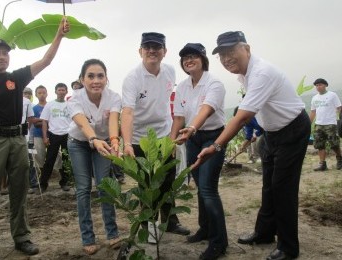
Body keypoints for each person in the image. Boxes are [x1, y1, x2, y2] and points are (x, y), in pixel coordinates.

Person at [192, 31, 311, 260]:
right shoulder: (245, 74)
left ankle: (288, 247)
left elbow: (242, 117)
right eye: (222, 55)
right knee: (269, 186)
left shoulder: (262, 73)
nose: (227, 59)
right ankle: (264, 232)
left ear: (247, 48)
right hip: (272, 133)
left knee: (282, 189)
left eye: (231, 52)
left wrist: (216, 146)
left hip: (292, 130)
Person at [0, 17, 69, 256]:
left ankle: (21, 236)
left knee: (19, 191)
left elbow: (46, 60)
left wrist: (59, 35)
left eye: (4, 53)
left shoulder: (16, 78)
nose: (1, 56)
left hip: (18, 140)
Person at [121, 32, 190, 236]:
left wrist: (172, 136)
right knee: (147, 184)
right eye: (147, 47)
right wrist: (126, 143)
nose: (152, 50)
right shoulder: (132, 78)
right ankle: (149, 227)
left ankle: (170, 222)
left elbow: (170, 102)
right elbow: (128, 112)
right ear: (140, 51)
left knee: (167, 180)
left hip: (164, 135)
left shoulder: (170, 71)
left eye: (156, 47)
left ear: (164, 52)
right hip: (140, 138)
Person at [170, 43, 228, 260]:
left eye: (193, 56)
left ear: (203, 59)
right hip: (192, 139)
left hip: (213, 137)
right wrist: (170, 143)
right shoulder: (183, 87)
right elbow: (178, 117)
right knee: (200, 187)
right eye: (185, 57)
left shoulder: (214, 83)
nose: (188, 60)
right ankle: (205, 229)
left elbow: (207, 109)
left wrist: (192, 127)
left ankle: (219, 242)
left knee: (208, 188)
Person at [67, 59, 121, 255]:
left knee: (104, 186)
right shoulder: (74, 99)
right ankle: (87, 237)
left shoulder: (113, 97)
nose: (96, 80)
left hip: (105, 142)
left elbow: (114, 120)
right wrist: (94, 139)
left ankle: (112, 233)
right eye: (90, 76)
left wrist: (114, 141)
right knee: (83, 189)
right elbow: (82, 123)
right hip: (79, 143)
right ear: (82, 79)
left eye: (100, 76)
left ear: (106, 78)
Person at [39, 83, 71, 192]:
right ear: (56, 91)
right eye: (59, 90)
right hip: (53, 135)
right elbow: (44, 121)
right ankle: (43, 184)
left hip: (67, 135)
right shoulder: (50, 105)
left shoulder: (69, 105)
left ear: (66, 92)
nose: (61, 92)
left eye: (63, 90)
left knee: (66, 160)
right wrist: (45, 137)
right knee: (49, 160)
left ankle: (65, 182)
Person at [309, 78, 342, 171]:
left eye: (320, 85)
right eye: (316, 85)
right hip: (319, 124)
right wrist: (308, 124)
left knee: (334, 144)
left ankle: (339, 159)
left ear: (325, 85)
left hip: (330, 124)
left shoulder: (332, 95)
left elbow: (339, 108)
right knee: (319, 144)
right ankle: (322, 164)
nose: (318, 87)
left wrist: (339, 120)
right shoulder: (314, 98)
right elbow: (313, 112)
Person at [32, 85, 62, 174]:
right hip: (38, 136)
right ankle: (42, 176)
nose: (42, 95)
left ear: (47, 94)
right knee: (39, 156)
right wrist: (46, 120)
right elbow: (35, 123)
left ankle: (59, 175)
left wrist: (40, 120)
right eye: (39, 93)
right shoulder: (34, 108)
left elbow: (56, 120)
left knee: (57, 155)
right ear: (36, 95)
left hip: (52, 135)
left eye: (44, 92)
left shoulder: (51, 106)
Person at [22, 87, 39, 194]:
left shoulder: (31, 105)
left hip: (31, 139)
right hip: (19, 138)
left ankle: (33, 183)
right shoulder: (17, 104)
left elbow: (32, 120)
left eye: (29, 93)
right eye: (25, 93)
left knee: (31, 162)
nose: (27, 95)